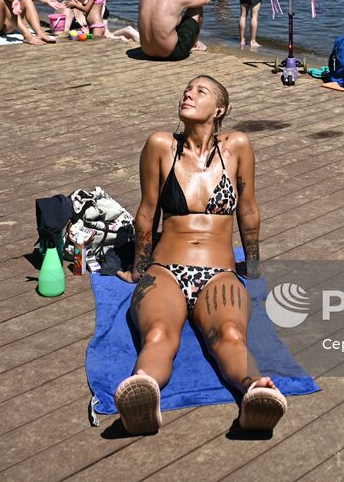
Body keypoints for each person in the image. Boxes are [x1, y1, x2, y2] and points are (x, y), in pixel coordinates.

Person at [115, 75, 286, 434]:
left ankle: (255, 389)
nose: (188, 93)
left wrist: (252, 266)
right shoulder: (161, 145)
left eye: (200, 91)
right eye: (186, 89)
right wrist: (137, 270)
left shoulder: (237, 146)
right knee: (159, 333)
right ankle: (143, 389)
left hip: (219, 274)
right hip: (165, 269)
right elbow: (147, 212)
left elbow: (249, 210)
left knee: (230, 334)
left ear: (219, 109)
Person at [138, 0, 209, 61]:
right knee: (197, 6)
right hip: (172, 53)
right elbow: (206, 0)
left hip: (147, 52)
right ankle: (195, 43)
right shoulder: (176, 0)